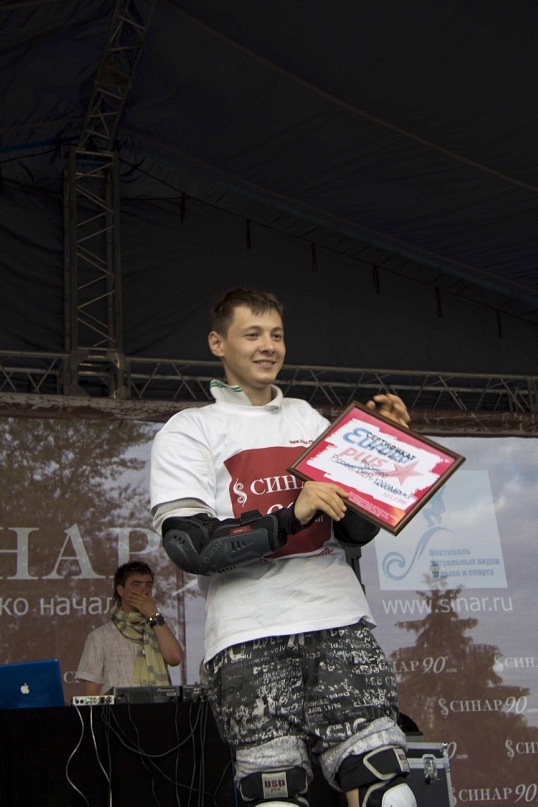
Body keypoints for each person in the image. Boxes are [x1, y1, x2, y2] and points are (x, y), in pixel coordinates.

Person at [150, 288, 416, 807]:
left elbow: (353, 530)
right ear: (217, 343)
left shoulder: (308, 419)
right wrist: (291, 515)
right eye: (252, 334)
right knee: (276, 795)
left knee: (387, 787)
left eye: (276, 335)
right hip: (248, 633)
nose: (268, 346)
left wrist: (384, 454)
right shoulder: (189, 429)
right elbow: (189, 546)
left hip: (338, 619)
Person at [76, 560, 183, 695]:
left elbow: (175, 658)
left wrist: (153, 614)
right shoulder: (99, 637)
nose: (144, 590)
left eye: (148, 585)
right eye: (136, 584)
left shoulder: (160, 627)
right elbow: (91, 693)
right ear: (121, 590)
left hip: (159, 705)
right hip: (117, 708)